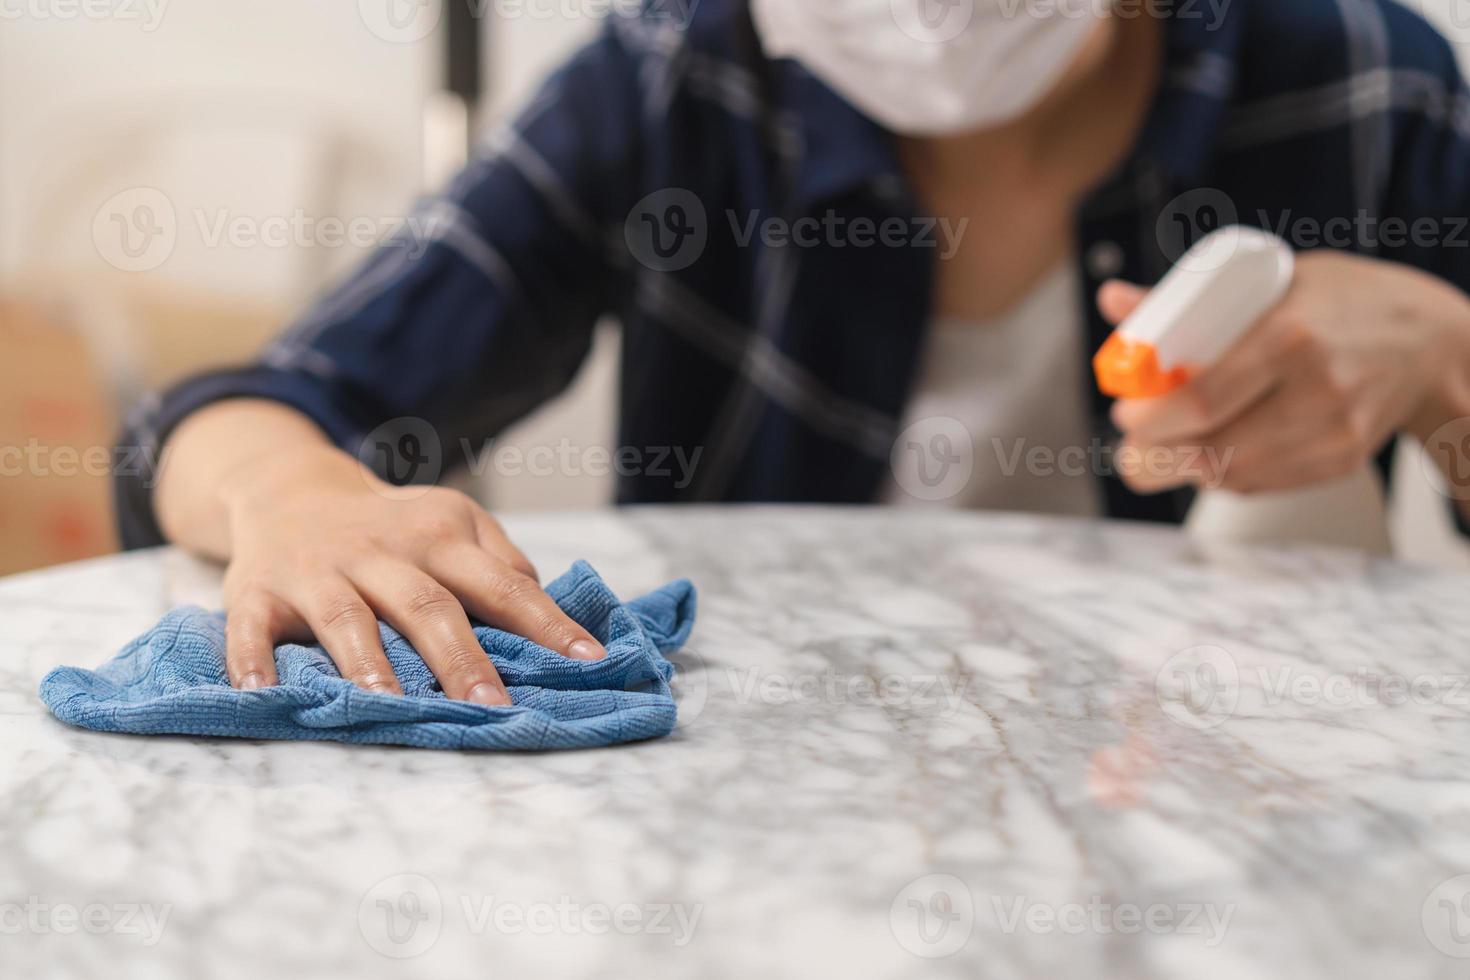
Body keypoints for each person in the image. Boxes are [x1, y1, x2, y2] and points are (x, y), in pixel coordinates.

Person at [116, 0, 1470, 703]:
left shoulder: (1363, 81)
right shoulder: (673, 80)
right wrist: (294, 498)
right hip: (766, 807)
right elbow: (259, 408)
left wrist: (1448, 364)